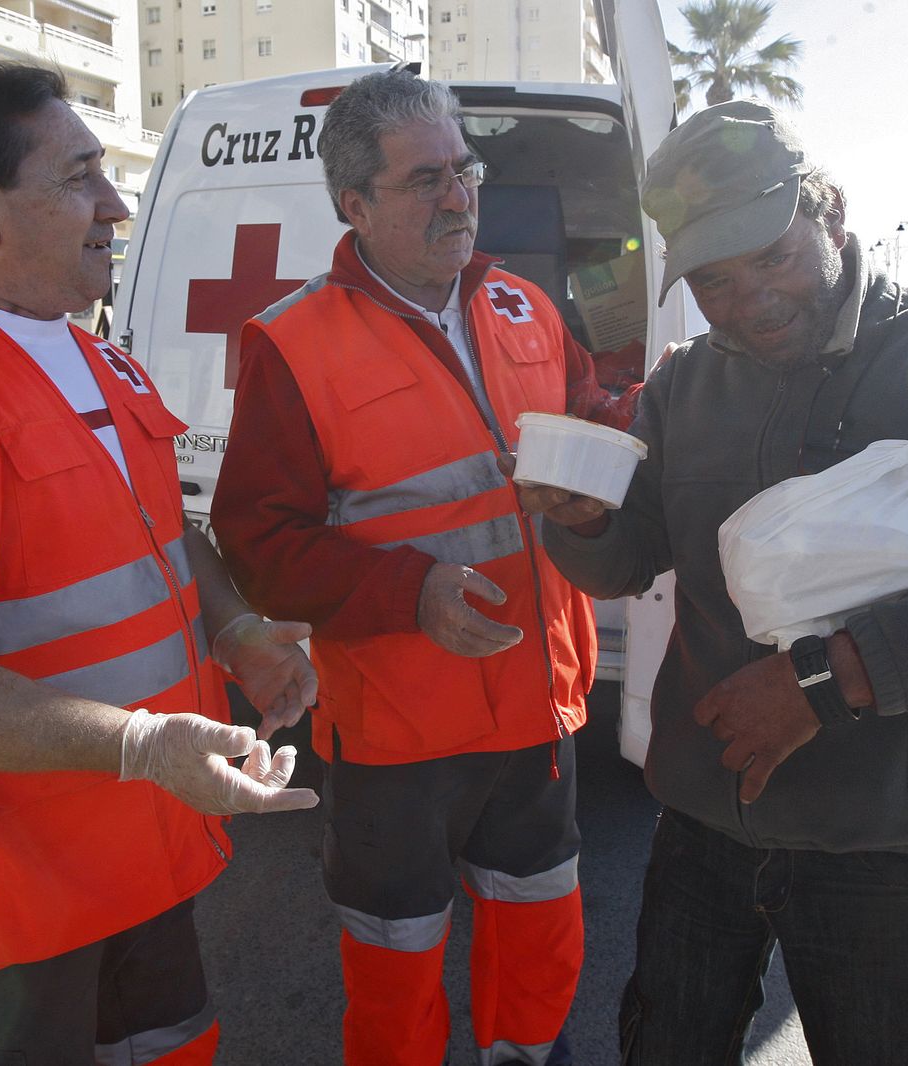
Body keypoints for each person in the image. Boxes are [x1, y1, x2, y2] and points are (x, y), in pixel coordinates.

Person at [529, 100, 908, 1064]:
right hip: (702, 830)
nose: (752, 301)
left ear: (832, 212)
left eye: (773, 257)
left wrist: (830, 677)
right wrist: (584, 523)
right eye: (716, 280)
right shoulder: (685, 385)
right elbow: (629, 556)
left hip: (885, 850)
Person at [0, 61, 319, 1066]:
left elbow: (163, 535)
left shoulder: (99, 358)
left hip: (141, 852)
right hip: (11, 901)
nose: (114, 204)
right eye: (79, 176)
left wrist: (237, 629)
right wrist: (140, 745)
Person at [210, 69, 632, 1066]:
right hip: (396, 737)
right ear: (354, 204)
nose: (460, 196)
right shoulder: (293, 342)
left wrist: (608, 461)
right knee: (397, 976)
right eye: (426, 178)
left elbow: (588, 419)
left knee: (538, 957)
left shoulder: (523, 304)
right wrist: (411, 592)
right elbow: (259, 548)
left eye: (466, 168)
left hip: (537, 711)